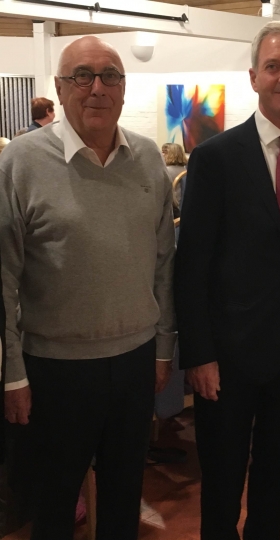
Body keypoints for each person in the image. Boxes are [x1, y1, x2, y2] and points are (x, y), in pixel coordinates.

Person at [0, 36, 176, 539]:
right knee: (53, 505)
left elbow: (164, 263)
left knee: (123, 497)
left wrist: (164, 349)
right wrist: (13, 376)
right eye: (82, 75)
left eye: (110, 76)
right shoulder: (20, 163)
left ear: (124, 89)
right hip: (54, 369)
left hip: (135, 361)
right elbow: (4, 280)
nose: (96, 88)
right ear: (59, 88)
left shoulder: (147, 160)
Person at [174, 21, 280, 540]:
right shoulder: (215, 158)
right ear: (254, 77)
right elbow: (192, 264)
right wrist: (199, 354)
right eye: (273, 66)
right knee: (222, 487)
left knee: (276, 483)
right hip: (227, 361)